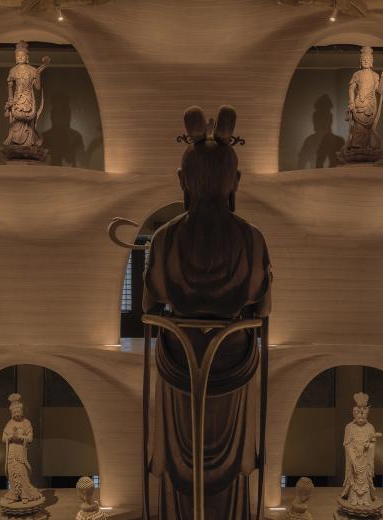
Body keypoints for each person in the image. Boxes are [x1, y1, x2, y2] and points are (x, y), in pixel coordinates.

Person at [143, 105, 272, 520]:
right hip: (233, 358)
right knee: (232, 470)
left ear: (183, 180)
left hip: (178, 360)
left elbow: (149, 305)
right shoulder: (251, 238)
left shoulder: (164, 239)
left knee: (179, 465)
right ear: (235, 181)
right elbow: (262, 306)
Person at [338, 47, 383, 162]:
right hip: (360, 103)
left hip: (371, 105)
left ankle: (366, 147)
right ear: (360, 61)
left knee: (368, 130)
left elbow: (379, 91)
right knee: (358, 128)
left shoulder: (375, 75)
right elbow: (351, 88)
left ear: (371, 61)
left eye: (368, 59)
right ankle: (357, 148)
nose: (366, 61)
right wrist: (351, 101)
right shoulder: (357, 74)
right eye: (363, 59)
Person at [340, 393, 382, 515]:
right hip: (354, 459)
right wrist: (352, 458)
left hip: (365, 458)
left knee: (365, 478)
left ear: (367, 414)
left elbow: (373, 442)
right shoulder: (349, 427)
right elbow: (347, 444)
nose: (361, 415)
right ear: (354, 414)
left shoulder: (370, 427)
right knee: (355, 476)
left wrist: (369, 446)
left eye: (363, 413)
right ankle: (353, 498)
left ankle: (366, 498)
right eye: (358, 413)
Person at [3, 40, 50, 151]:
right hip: (17, 101)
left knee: (29, 123)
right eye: (17, 55)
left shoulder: (32, 70)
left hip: (28, 100)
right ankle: (15, 142)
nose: (20, 57)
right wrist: (10, 100)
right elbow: (10, 86)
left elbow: (37, 87)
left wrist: (38, 73)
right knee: (16, 123)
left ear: (27, 57)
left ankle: (30, 142)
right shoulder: (13, 70)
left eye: (22, 55)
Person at [0, 393, 43, 507]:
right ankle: (14, 495)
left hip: (20, 451)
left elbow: (30, 438)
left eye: (18, 411)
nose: (16, 413)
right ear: (12, 412)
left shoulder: (26, 423)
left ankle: (25, 495)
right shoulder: (9, 423)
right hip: (11, 451)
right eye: (14, 412)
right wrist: (10, 437)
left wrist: (20, 437)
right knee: (12, 473)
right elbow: (3, 438)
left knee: (22, 473)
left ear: (22, 411)